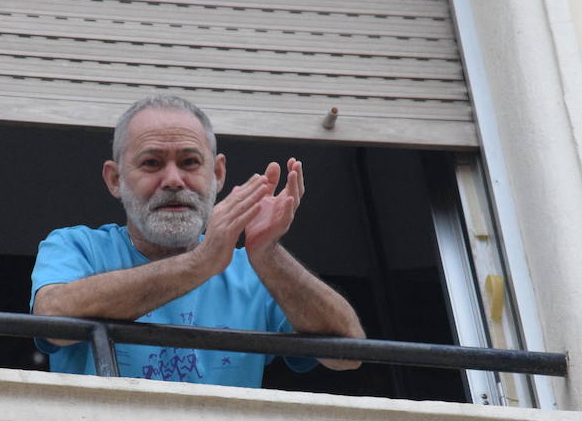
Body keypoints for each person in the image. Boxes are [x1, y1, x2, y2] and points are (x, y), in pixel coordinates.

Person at [30, 95, 365, 386]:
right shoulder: (77, 247)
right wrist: (202, 261)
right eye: (151, 163)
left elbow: (348, 354)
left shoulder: (254, 271)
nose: (174, 180)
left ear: (217, 174)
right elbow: (51, 319)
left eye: (190, 162)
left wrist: (267, 253)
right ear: (115, 179)